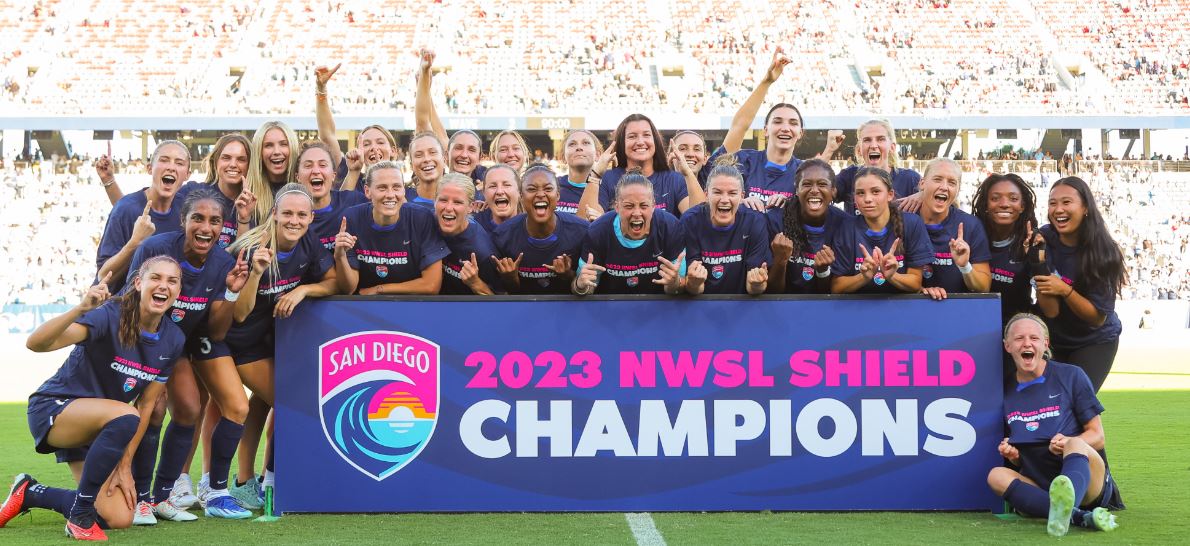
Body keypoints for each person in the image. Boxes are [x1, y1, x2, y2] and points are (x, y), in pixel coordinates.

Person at [0, 257, 185, 540]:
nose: (163, 286)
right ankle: (80, 517)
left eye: (172, 281)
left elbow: (147, 404)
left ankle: (31, 492)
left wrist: (125, 465)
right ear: (138, 283)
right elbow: (36, 344)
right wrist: (82, 308)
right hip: (55, 410)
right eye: (156, 278)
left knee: (119, 517)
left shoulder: (173, 339)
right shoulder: (110, 314)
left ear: (178, 290)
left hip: (104, 429)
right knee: (126, 416)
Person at [223, 184, 338, 516]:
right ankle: (254, 481)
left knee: (262, 405)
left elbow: (334, 282)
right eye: (287, 213)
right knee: (288, 404)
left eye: (302, 214)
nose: (294, 220)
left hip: (273, 340)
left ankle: (254, 480)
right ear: (274, 214)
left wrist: (303, 290)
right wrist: (257, 273)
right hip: (240, 341)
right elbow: (239, 313)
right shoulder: (250, 249)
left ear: (311, 218)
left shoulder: (308, 242)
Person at [986, 313, 1122, 537]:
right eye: (1019, 338)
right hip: (1042, 483)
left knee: (1076, 444)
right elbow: (1023, 453)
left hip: (1088, 480)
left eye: (1034, 338)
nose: (1027, 343)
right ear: (1007, 346)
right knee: (996, 475)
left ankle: (1070, 505)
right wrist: (1013, 455)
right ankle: (1078, 517)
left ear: (1045, 344)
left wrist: (1069, 441)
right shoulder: (1004, 391)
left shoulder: (1071, 375)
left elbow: (1097, 436)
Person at [1035, 177, 1126, 392]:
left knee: (1077, 403)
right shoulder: (1044, 238)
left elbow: (1097, 317)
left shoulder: (1103, 251)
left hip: (1094, 340)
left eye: (1066, 202)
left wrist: (1064, 290)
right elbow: (1051, 311)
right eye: (1053, 203)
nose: (1058, 209)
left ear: (1085, 207)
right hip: (1055, 337)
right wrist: (1036, 262)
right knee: (1051, 405)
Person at [711, 48, 820, 211]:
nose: (785, 128)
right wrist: (740, 202)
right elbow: (739, 126)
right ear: (766, 130)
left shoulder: (806, 172)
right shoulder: (743, 161)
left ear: (800, 133)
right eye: (777, 122)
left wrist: (792, 204)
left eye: (793, 123)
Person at [334, 161, 449, 295]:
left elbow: (431, 285)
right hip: (365, 308)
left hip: (411, 306)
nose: (390, 194)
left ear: (404, 190)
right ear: (367, 191)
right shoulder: (351, 218)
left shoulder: (422, 218)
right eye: (382, 188)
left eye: (396, 187)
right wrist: (340, 257)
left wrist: (380, 290)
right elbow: (349, 289)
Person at [96, 141, 190, 294]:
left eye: (179, 163)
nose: (171, 167)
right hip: (118, 307)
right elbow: (103, 276)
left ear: (187, 174)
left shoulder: (187, 210)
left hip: (159, 307)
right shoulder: (125, 209)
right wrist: (135, 242)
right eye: (164, 160)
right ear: (149, 168)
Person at [574, 173, 687, 295]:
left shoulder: (670, 226)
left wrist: (674, 283)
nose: (637, 213)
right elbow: (586, 289)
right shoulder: (598, 230)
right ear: (617, 207)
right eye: (629, 206)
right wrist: (580, 286)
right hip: (610, 305)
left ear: (653, 205)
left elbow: (676, 289)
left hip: (657, 305)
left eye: (644, 206)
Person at [829, 167, 933, 294]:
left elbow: (916, 283)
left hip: (900, 308)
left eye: (875, 191)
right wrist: (863, 277)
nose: (867, 199)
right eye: (860, 193)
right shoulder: (846, 228)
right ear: (854, 198)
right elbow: (836, 287)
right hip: (859, 309)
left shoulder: (912, 223)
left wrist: (892, 276)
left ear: (890, 195)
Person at [491, 165, 586, 294]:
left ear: (557, 195)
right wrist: (510, 279)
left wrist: (568, 275)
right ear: (521, 196)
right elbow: (503, 296)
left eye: (548, 189)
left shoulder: (582, 231)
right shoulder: (502, 235)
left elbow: (588, 289)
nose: (541, 194)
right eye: (531, 189)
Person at [584, 114, 704, 216]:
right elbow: (587, 219)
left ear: (655, 141)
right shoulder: (607, 179)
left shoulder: (674, 179)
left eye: (646, 135)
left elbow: (699, 217)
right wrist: (595, 175)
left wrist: (688, 173)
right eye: (632, 136)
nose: (640, 142)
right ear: (622, 143)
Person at [680, 165, 770, 295]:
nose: (724, 200)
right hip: (700, 305)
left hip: (741, 306)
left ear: (742, 196)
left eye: (732, 193)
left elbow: (754, 288)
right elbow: (693, 288)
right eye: (717, 192)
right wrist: (694, 283)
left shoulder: (755, 222)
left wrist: (757, 284)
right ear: (706, 194)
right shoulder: (690, 221)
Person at [766, 159, 849, 293]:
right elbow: (770, 293)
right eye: (806, 184)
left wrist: (823, 272)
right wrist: (780, 261)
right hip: (781, 309)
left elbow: (831, 295)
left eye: (822, 184)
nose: (814, 190)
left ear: (833, 190)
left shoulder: (844, 224)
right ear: (797, 190)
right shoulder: (775, 220)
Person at [915, 158, 993, 300]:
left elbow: (984, 287)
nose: (944, 187)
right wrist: (921, 291)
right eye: (937, 179)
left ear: (958, 190)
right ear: (922, 183)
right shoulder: (904, 222)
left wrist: (965, 266)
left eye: (952, 182)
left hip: (958, 314)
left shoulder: (970, 225)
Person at [314, 63, 398, 193]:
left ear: (393, 151)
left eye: (380, 142)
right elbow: (327, 135)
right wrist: (321, 90)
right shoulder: (350, 175)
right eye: (366, 144)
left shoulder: (407, 190)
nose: (373, 148)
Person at [971, 173, 1041, 321]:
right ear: (985, 205)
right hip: (973, 325)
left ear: (1022, 206)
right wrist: (921, 196)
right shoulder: (971, 235)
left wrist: (1037, 262)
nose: (1004, 204)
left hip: (1016, 331)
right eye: (995, 198)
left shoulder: (1032, 240)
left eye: (1013, 199)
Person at [412, 49, 487, 186]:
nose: (464, 155)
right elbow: (424, 123)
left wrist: (425, 87)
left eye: (471, 150)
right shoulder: (436, 184)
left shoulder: (488, 191)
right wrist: (424, 79)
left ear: (480, 157)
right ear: (446, 155)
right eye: (458, 148)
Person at [822, 119, 923, 215]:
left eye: (880, 139)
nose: (873, 145)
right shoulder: (849, 176)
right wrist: (829, 150)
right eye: (867, 140)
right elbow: (818, 192)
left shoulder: (910, 179)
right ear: (859, 150)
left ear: (892, 147)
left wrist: (924, 195)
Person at [292, 142, 367, 253]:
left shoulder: (353, 201)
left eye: (322, 165)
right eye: (308, 166)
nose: (316, 171)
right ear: (297, 176)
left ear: (333, 175)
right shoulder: (289, 215)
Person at [435, 174, 501, 295]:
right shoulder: (428, 224)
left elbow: (500, 301)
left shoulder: (483, 252)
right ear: (435, 202)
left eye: (457, 202)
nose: (448, 208)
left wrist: (475, 283)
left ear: (470, 207)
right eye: (443, 200)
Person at [244, 121, 300, 224]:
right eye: (268, 145)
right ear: (259, 151)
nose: (277, 151)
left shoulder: (306, 186)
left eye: (283, 144)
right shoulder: (247, 192)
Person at [556, 129, 603, 218]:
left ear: (597, 155)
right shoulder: (552, 186)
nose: (579, 148)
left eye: (586, 143)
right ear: (563, 157)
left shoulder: (608, 189)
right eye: (572, 144)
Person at [406, 133, 448, 210]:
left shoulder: (460, 198)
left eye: (432, 152)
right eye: (419, 155)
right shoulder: (402, 199)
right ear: (411, 165)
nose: (427, 159)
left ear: (445, 158)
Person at [474, 165, 521, 233]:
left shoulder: (533, 229)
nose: (499, 191)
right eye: (492, 186)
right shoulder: (474, 230)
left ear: (519, 191)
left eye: (507, 185)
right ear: (484, 193)